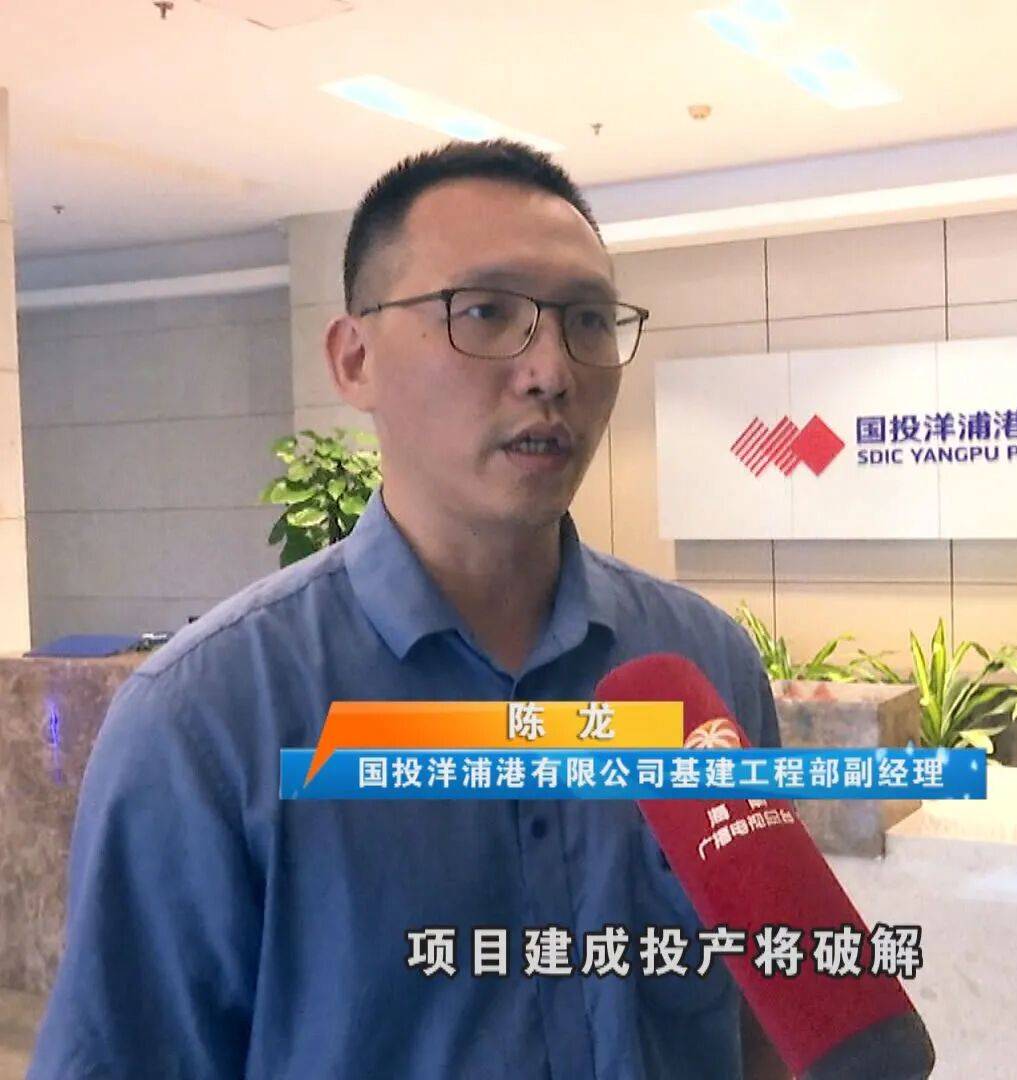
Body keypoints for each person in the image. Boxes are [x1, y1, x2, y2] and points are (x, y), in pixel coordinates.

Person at [30, 140, 786, 1079]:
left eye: (588, 320)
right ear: (355, 360)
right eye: (487, 312)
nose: (552, 369)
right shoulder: (206, 721)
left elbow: (766, 1017)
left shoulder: (705, 665)